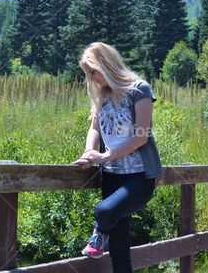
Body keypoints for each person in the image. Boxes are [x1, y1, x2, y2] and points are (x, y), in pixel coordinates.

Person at [72, 42, 162, 273]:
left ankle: (98, 233)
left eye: (92, 71)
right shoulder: (102, 95)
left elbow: (141, 136)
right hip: (111, 176)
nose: (90, 78)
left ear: (106, 64)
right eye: (87, 73)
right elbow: (94, 128)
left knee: (104, 212)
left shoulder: (139, 89)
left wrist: (105, 156)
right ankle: (102, 236)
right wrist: (89, 154)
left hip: (139, 177)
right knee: (119, 248)